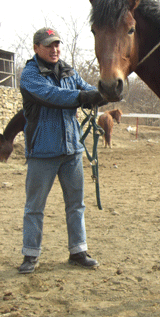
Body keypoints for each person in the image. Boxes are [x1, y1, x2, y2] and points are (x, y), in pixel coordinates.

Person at [18, 27, 106, 274]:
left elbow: (88, 89)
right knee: (34, 207)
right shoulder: (29, 75)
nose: (54, 49)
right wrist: (84, 96)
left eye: (57, 44)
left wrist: (105, 92)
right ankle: (30, 255)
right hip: (42, 153)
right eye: (48, 45)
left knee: (76, 205)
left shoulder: (68, 70)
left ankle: (78, 251)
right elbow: (52, 96)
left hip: (72, 151)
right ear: (36, 49)